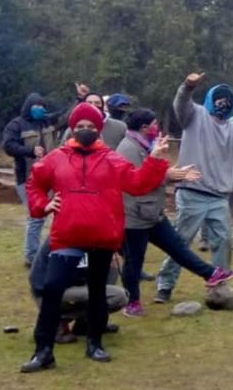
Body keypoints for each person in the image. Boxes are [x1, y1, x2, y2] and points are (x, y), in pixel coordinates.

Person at [19, 103, 169, 373]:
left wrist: (155, 159)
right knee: (53, 288)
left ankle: (95, 343)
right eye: (80, 126)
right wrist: (43, 204)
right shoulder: (56, 158)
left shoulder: (112, 159)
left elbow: (137, 184)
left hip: (103, 235)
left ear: (98, 129)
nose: (85, 130)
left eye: (90, 126)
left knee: (98, 291)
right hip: (67, 235)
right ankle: (43, 351)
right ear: (73, 129)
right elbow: (35, 182)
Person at [117, 109, 233, 317]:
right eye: (154, 124)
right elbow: (137, 181)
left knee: (177, 246)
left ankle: (211, 274)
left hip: (153, 213)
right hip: (134, 216)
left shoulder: (146, 145)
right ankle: (132, 302)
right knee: (134, 261)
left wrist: (172, 175)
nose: (158, 127)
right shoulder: (127, 148)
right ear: (144, 128)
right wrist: (168, 175)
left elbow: (152, 172)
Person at [154, 73, 233, 304]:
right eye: (219, 100)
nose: (223, 104)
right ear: (211, 99)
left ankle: (219, 287)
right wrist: (188, 85)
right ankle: (165, 285)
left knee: (223, 241)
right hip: (192, 191)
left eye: (227, 101)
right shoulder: (195, 114)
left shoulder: (232, 130)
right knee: (180, 241)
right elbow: (180, 104)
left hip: (219, 196)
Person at [27, 242, 127, 345]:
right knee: (119, 296)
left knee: (111, 267)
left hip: (69, 288)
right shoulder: (66, 240)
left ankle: (87, 323)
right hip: (49, 293)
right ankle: (56, 321)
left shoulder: (89, 239)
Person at [2, 92, 60, 266]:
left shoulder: (47, 121)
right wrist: (30, 151)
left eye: (43, 106)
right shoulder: (16, 125)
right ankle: (31, 256)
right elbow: (8, 145)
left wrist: (80, 99)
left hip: (50, 177)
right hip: (26, 178)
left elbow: (65, 116)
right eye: (37, 106)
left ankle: (49, 252)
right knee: (36, 217)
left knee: (56, 214)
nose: (41, 109)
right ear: (29, 107)